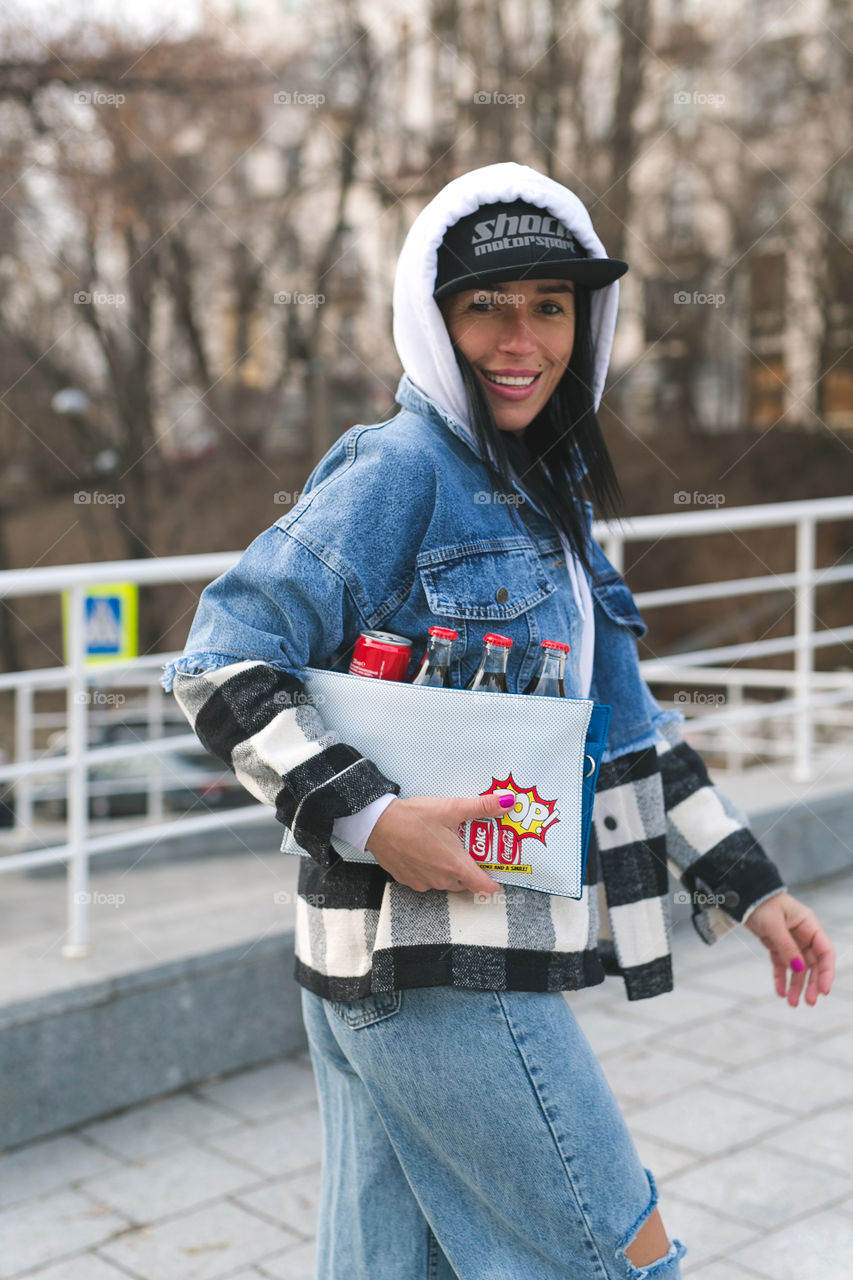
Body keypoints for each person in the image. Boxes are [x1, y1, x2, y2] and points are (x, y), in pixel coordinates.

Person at [161, 163, 835, 1280]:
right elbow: (220, 657)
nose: (522, 337)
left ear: (587, 319)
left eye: (550, 304)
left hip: (414, 966)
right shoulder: (400, 466)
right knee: (624, 1254)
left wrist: (749, 886)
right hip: (429, 961)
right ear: (434, 316)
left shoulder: (550, 495)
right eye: (487, 304)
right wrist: (373, 817)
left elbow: (625, 722)